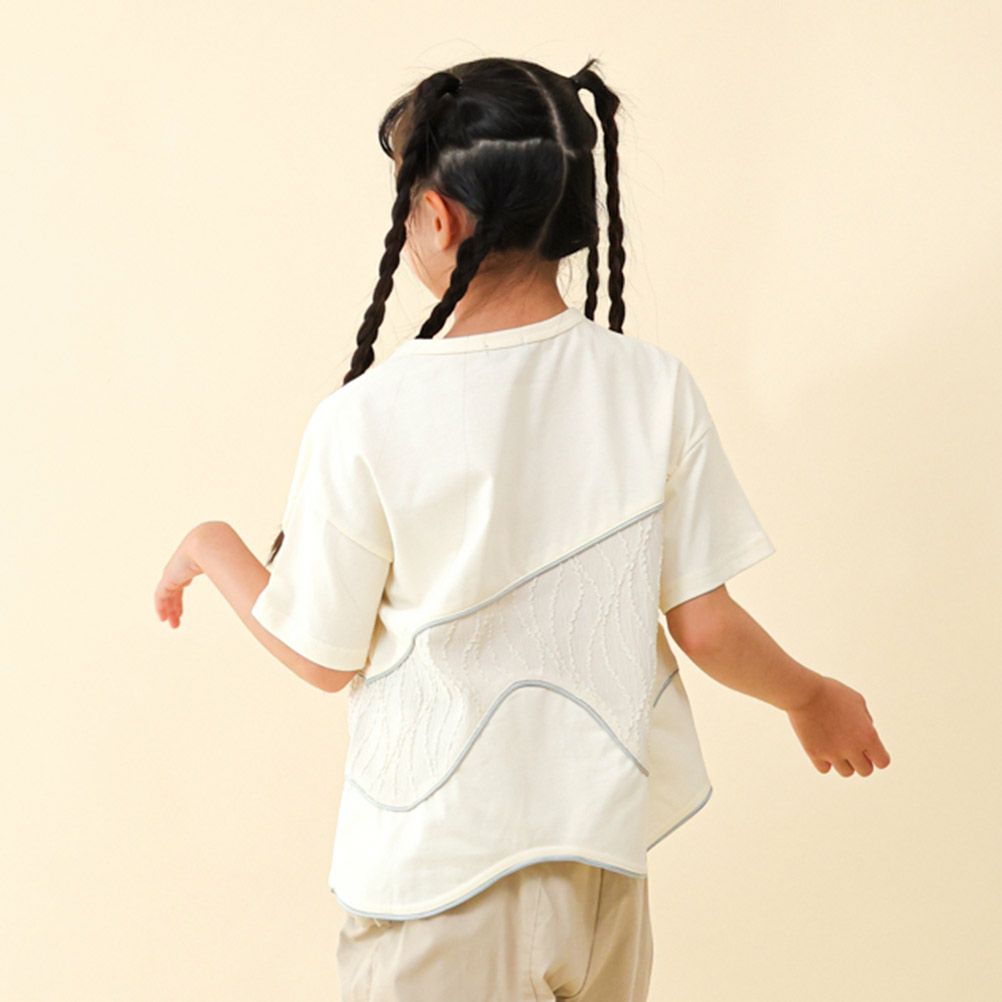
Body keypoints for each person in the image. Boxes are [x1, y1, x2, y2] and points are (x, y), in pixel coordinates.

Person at [154, 55, 891, 1002]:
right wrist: (810, 696)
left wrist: (212, 544)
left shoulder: (369, 418)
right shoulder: (650, 386)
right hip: (600, 879)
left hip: (440, 884)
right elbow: (704, 625)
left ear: (436, 219)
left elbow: (320, 652)